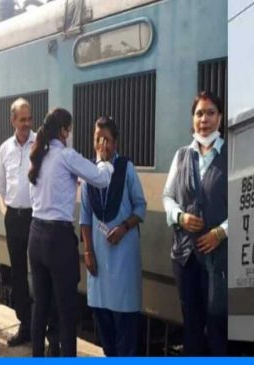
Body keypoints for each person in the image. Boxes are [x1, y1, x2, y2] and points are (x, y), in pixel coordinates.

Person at [28, 107, 114, 357]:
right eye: (70, 129)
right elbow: (101, 179)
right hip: (58, 239)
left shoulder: (38, 156)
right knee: (66, 312)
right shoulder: (66, 155)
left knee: (41, 306)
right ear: (65, 130)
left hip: (36, 235)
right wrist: (103, 160)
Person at [162, 91, 227, 355]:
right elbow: (167, 196)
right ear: (193, 119)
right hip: (184, 257)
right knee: (191, 327)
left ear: (220, 119)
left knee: (217, 326)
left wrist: (221, 233)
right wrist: (180, 216)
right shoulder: (181, 156)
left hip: (218, 259)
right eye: (199, 113)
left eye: (210, 113)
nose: (204, 119)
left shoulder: (231, 156)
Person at [0, 98, 59, 352]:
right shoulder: (5, 149)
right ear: (12, 121)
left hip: (37, 219)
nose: (26, 123)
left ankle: (46, 331)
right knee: (19, 275)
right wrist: (13, 203)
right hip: (14, 218)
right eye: (21, 119)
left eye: (29, 118)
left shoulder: (41, 144)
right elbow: (1, 183)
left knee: (42, 276)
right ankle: (25, 326)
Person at [80, 117, 146, 356]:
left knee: (125, 323)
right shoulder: (89, 172)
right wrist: (87, 251)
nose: (102, 144)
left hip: (124, 257)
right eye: (98, 139)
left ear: (115, 142)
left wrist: (124, 227)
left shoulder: (126, 168)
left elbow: (141, 207)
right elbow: (85, 217)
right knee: (103, 320)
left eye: (106, 139)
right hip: (98, 256)